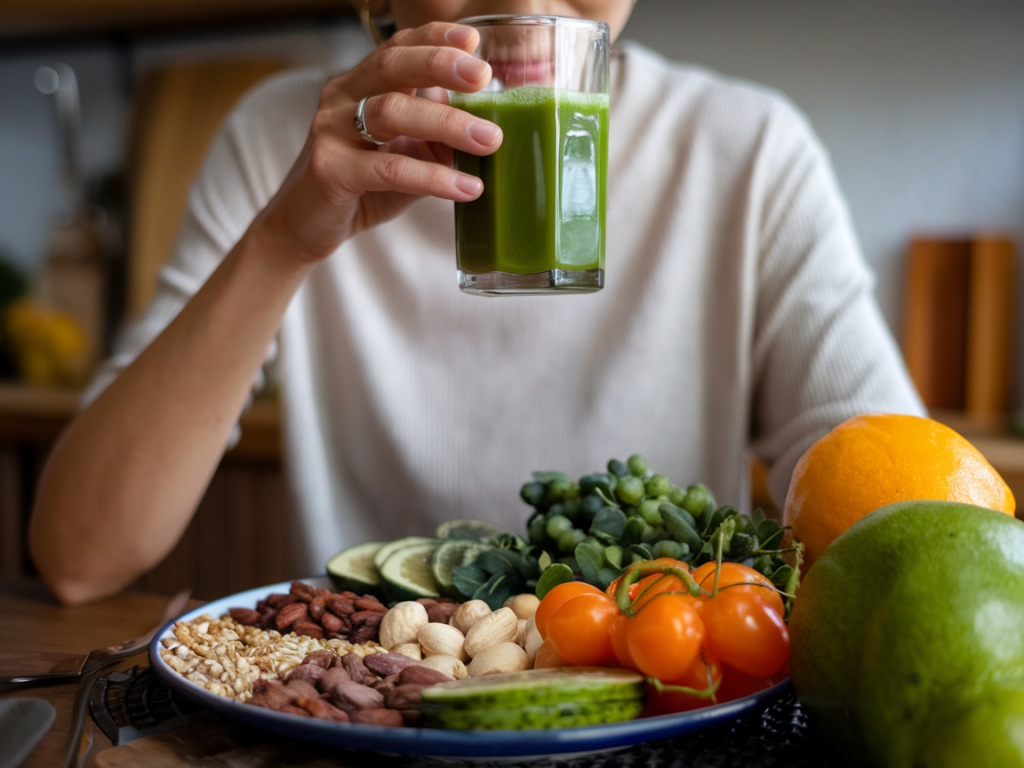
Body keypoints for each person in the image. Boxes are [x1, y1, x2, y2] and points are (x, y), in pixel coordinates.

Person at [29, 0, 924, 605]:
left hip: (665, 696)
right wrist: (283, 245)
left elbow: (910, 519)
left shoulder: (749, 151)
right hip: (383, 708)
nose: (526, 0)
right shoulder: (280, 142)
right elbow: (79, 555)